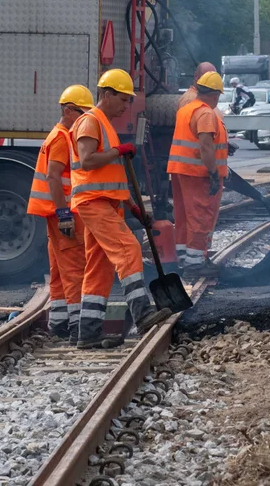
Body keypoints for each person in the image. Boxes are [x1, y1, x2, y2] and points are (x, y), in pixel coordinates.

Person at [70, 68, 170, 349]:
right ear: (106, 94)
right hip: (93, 203)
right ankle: (143, 314)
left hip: (107, 202)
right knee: (129, 249)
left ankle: (88, 333)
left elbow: (112, 177)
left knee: (99, 267)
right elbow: (88, 161)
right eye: (123, 100)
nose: (127, 106)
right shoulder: (89, 122)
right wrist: (118, 151)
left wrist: (133, 207)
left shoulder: (104, 124)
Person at [26, 85, 93, 342]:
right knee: (75, 266)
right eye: (81, 113)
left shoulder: (57, 136)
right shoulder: (63, 138)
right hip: (61, 213)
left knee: (59, 269)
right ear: (68, 111)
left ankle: (59, 321)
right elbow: (54, 176)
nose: (85, 119)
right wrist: (65, 214)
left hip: (54, 213)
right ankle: (78, 325)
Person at [168, 71, 229, 278]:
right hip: (198, 174)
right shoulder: (206, 113)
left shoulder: (186, 110)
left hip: (180, 171)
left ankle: (184, 257)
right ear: (215, 95)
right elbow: (205, 146)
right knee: (200, 217)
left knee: (184, 216)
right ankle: (194, 264)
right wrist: (213, 174)